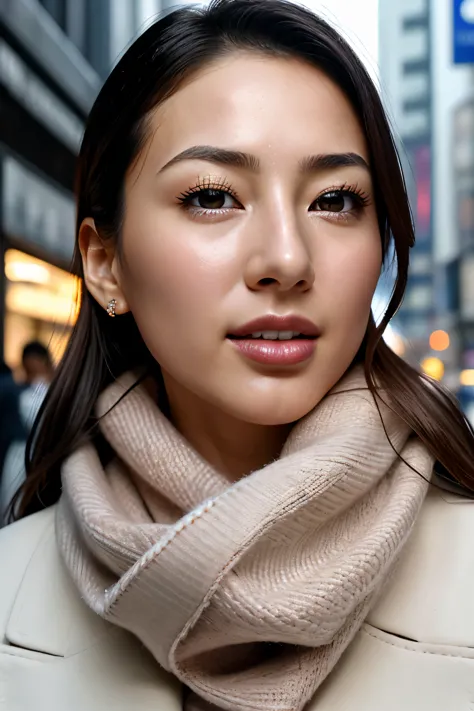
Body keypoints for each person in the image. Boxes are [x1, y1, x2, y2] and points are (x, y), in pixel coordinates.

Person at [0, 1, 472, 709]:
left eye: (336, 200)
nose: (285, 258)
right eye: (214, 196)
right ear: (105, 265)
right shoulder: (10, 588)